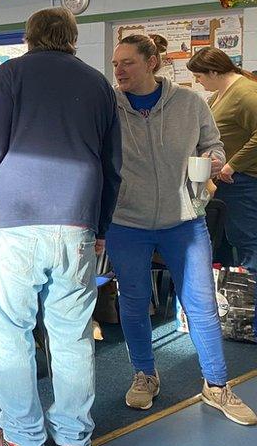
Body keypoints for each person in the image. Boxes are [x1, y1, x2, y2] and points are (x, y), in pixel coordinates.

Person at [0, 7, 121, 446]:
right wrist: (100, 227)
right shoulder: (99, 84)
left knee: (12, 333)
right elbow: (112, 167)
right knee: (71, 336)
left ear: (29, 37)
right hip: (76, 226)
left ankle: (25, 440)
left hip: (17, 224)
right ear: (73, 38)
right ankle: (73, 441)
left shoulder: (11, 74)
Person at [108, 35, 256, 425]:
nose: (119, 71)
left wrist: (213, 158)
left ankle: (217, 384)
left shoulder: (190, 103)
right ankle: (144, 374)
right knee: (134, 303)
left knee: (202, 304)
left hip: (185, 222)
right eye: (115, 63)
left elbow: (215, 144)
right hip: (127, 222)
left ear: (152, 62)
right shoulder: (109, 107)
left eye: (127, 63)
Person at [188, 47, 257, 336]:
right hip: (230, 182)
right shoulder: (224, 93)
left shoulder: (245, 93)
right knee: (234, 246)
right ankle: (242, 316)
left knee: (249, 245)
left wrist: (231, 165)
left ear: (214, 72)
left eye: (200, 76)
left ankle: (253, 321)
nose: (199, 82)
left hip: (242, 181)